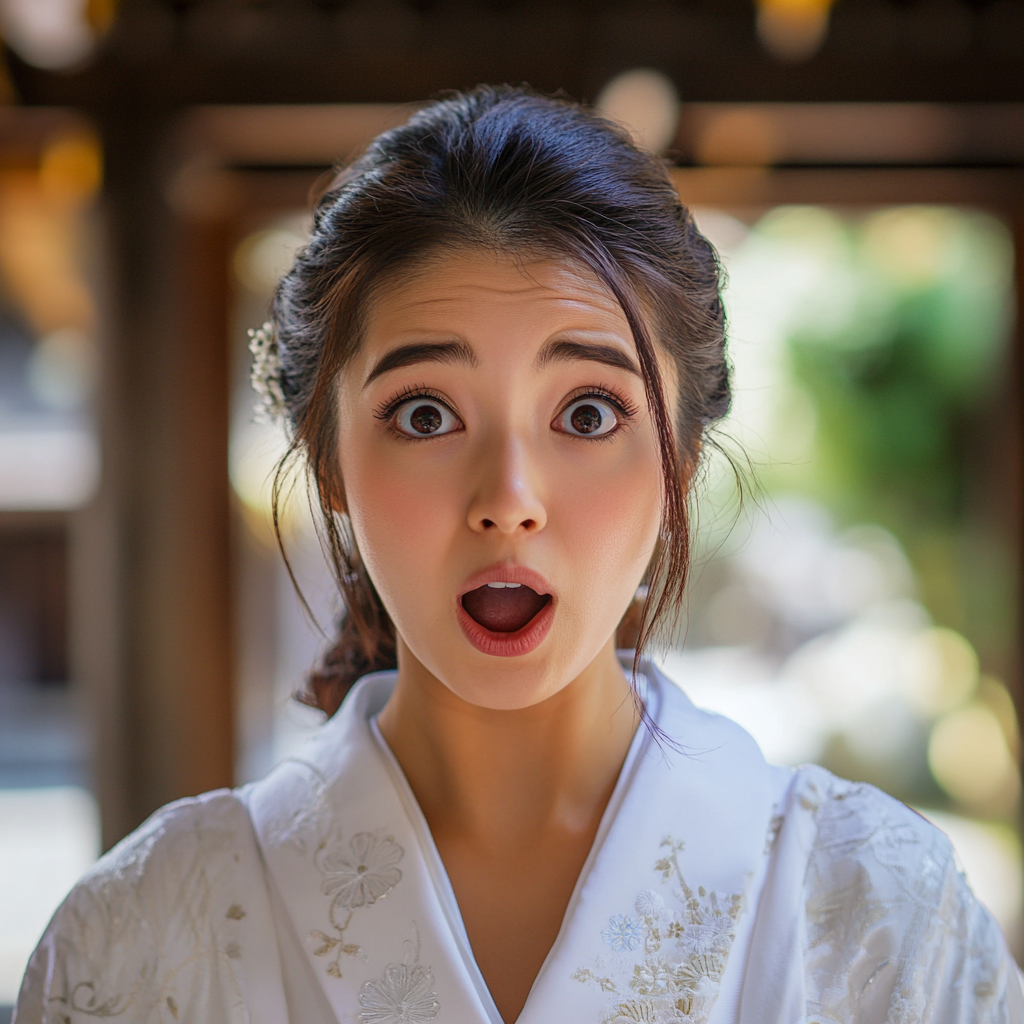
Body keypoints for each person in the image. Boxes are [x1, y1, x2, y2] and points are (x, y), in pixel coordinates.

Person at [15, 86, 1023, 1024]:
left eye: (586, 412)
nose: (507, 502)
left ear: (681, 456)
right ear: (326, 460)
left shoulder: (875, 917)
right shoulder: (143, 938)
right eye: (424, 413)